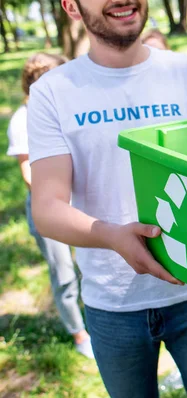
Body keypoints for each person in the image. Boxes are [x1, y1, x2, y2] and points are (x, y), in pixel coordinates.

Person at [27, 0, 187, 398]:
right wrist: (111, 235)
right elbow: (47, 209)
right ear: (71, 6)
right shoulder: (53, 92)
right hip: (112, 303)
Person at [5, 52, 94, 360]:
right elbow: (29, 171)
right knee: (64, 273)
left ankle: (95, 319)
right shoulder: (23, 119)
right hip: (52, 209)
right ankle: (79, 333)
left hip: (80, 204)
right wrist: (59, 199)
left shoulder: (66, 109)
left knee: (88, 266)